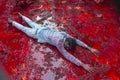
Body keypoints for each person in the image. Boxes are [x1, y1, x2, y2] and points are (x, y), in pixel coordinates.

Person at [8, 13, 99, 72]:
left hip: (41, 27)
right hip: (36, 34)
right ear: (66, 44)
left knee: (31, 22)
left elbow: (76, 41)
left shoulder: (64, 34)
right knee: (24, 29)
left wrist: (89, 48)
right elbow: (68, 56)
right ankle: (12, 22)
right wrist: (82, 64)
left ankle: (21, 16)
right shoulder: (59, 44)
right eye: (67, 48)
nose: (66, 49)